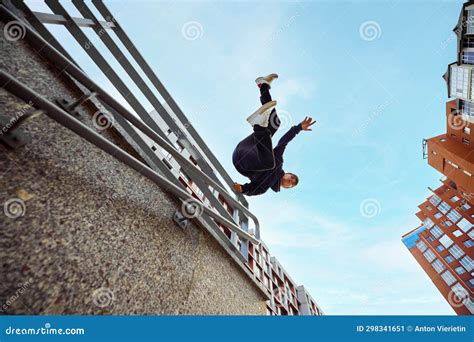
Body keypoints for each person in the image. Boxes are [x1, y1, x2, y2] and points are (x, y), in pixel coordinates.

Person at [232, 73, 316, 196]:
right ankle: (263, 86)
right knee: (275, 123)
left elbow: (254, 189)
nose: (291, 180)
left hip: (241, 163)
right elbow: (284, 142)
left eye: (292, 183)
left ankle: (259, 126)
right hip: (246, 148)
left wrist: (243, 189)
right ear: (288, 173)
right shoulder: (279, 160)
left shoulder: (266, 186)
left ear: (286, 187)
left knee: (269, 163)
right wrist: (298, 128)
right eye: (292, 177)